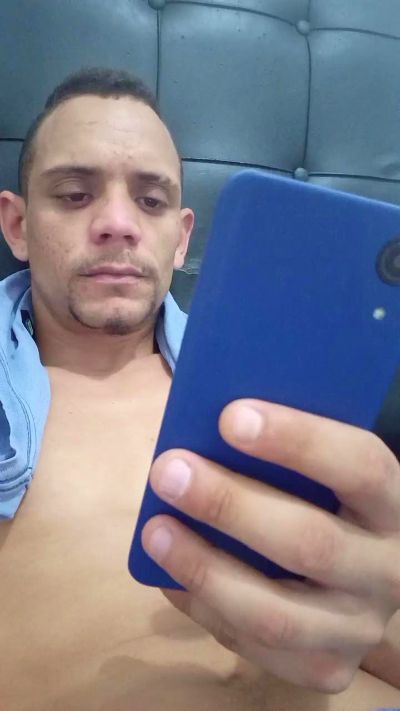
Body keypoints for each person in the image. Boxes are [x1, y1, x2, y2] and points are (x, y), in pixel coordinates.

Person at [0, 67, 399, 711]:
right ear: (17, 225)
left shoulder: (272, 394)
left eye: (151, 201)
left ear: (182, 237)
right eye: (74, 194)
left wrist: (370, 594)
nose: (118, 222)